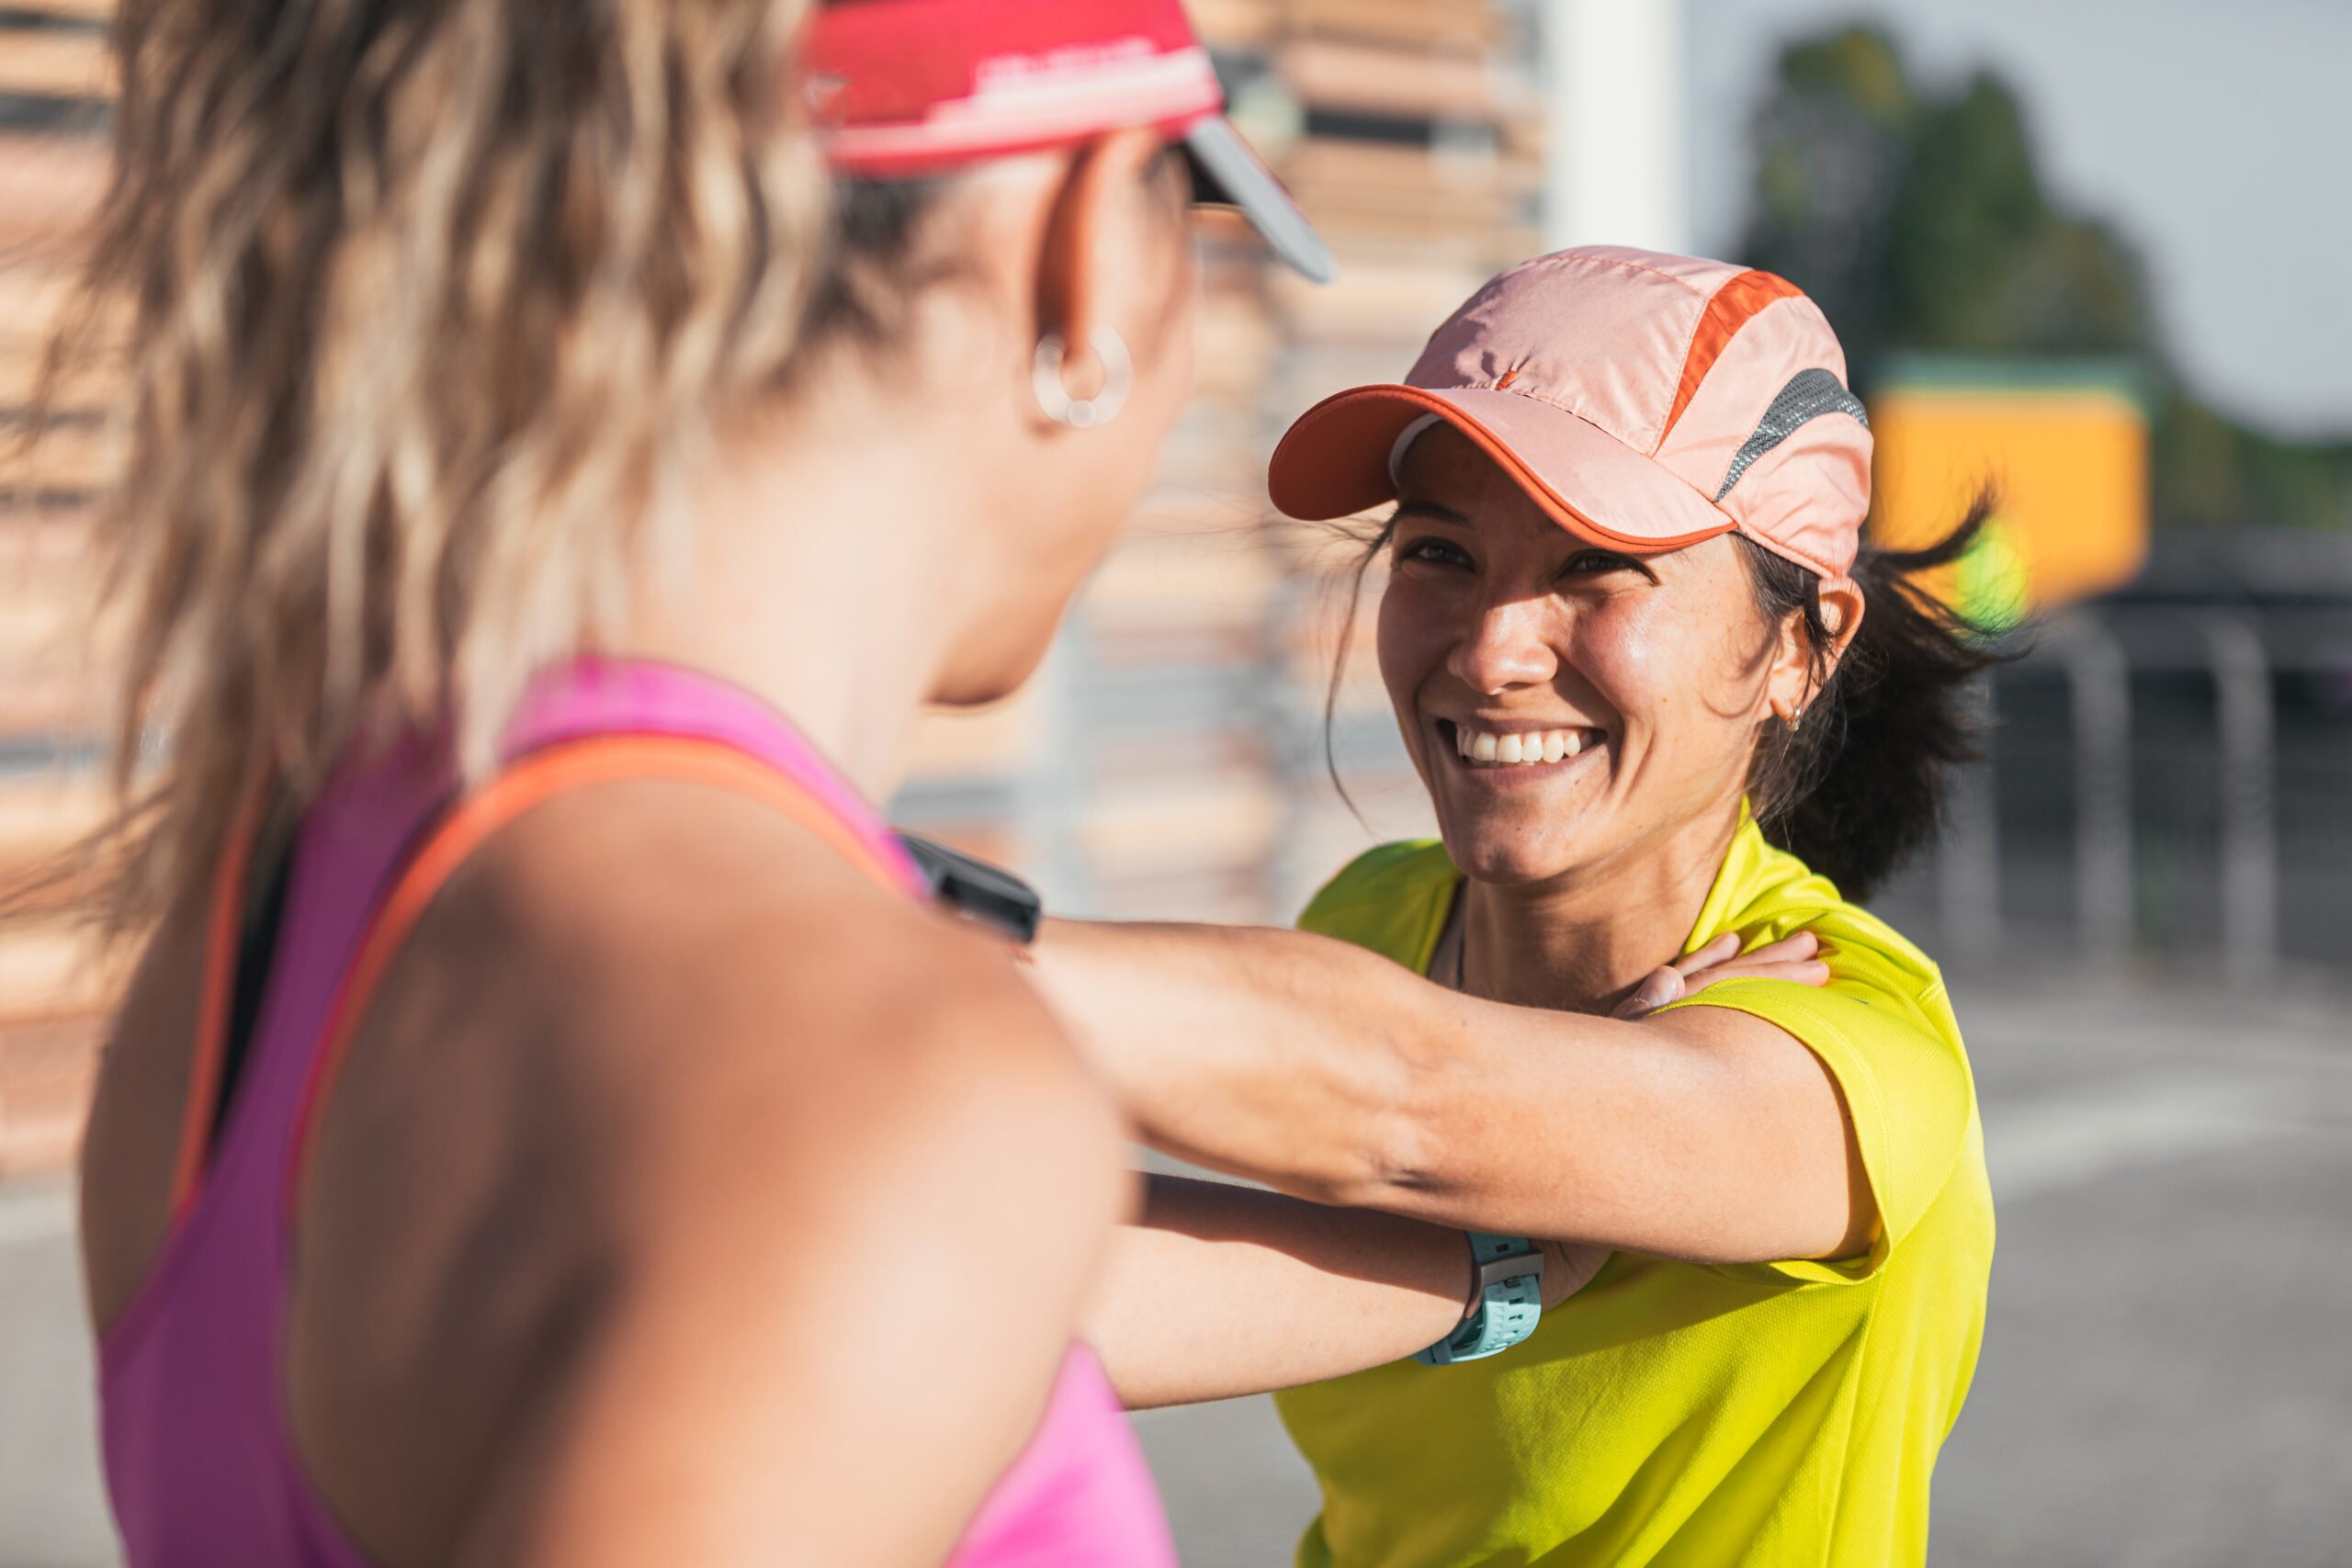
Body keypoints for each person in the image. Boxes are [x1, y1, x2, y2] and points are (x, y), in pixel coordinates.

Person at [60, 1, 1330, 1562]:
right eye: (1185, 215)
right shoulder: (878, 1068)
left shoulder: (251, 920)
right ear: (1083, 250)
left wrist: (1493, 1273)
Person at [1045, 248, 2002, 1566]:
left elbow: (1403, 1106)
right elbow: (1030, 1290)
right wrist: (1504, 1265)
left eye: (1598, 569)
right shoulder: (1372, 920)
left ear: (1798, 648)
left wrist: (856, 937)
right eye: (1441, 551)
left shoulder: (1848, 1046)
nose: (1493, 651)